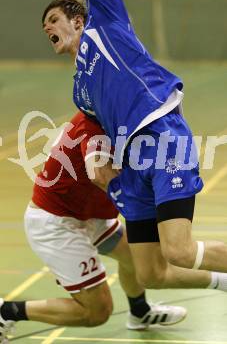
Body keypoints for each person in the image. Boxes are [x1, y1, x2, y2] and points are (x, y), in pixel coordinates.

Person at [26, 0, 227, 287]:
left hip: (161, 136)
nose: (47, 26)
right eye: (44, 24)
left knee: (179, 250)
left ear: (77, 21)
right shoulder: (80, 91)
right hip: (132, 163)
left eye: (53, 18)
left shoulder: (103, 23)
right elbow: (96, 131)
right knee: (150, 274)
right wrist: (94, 154)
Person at [0, 112, 188, 344]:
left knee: (135, 256)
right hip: (57, 223)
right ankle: (7, 311)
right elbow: (101, 175)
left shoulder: (118, 118)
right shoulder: (93, 126)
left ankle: (139, 312)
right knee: (96, 312)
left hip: (90, 216)